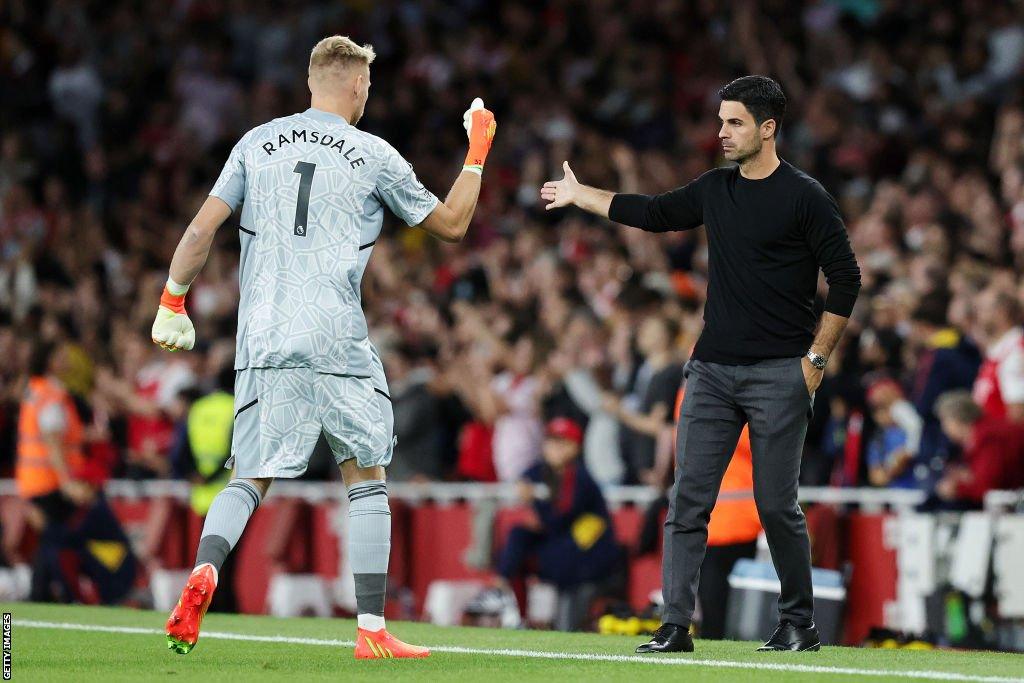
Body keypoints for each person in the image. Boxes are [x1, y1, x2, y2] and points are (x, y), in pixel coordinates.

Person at [153, 35, 496, 659]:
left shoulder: (255, 143)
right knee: (365, 474)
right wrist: (476, 153)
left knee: (249, 476)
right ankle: (371, 630)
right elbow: (451, 225)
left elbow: (202, 228)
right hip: (335, 335)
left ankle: (206, 568)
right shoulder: (372, 153)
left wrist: (173, 299)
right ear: (358, 86)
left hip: (265, 337)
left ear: (312, 82)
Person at [541, 75, 860, 653]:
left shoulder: (805, 196)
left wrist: (814, 360)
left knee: (776, 506)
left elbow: (847, 281)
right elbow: (654, 212)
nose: (722, 132)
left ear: (768, 128)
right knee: (687, 500)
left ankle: (799, 621)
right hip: (711, 370)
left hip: (779, 373)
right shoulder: (716, 188)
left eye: (734, 122)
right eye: (720, 121)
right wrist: (581, 194)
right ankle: (675, 624)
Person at [494, 418, 622, 630]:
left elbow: (560, 517)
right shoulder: (543, 471)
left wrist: (534, 503)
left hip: (589, 556)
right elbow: (526, 479)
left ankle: (510, 598)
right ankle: (510, 604)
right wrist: (525, 488)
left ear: (575, 447)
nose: (555, 448)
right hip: (564, 549)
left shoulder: (579, 477)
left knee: (543, 552)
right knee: (518, 537)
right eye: (551, 441)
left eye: (562, 442)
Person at [17, 341, 93, 600]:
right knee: (54, 540)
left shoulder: (35, 389)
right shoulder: (51, 394)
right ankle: (42, 593)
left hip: (34, 479)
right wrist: (66, 482)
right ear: (51, 361)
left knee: (52, 540)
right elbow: (52, 441)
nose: (68, 358)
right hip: (49, 481)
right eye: (62, 354)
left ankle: (44, 594)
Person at [934, 390, 1024, 507]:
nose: (944, 428)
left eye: (945, 421)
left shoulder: (989, 437)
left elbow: (988, 487)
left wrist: (956, 489)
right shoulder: (984, 432)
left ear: (956, 419)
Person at [971, 288, 1024, 423]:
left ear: (1002, 312)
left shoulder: (1016, 351)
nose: (977, 316)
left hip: (1004, 441)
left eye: (983, 309)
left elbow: (1018, 412)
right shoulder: (999, 351)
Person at [864, 378, 924, 490]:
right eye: (877, 409)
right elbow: (876, 476)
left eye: (886, 406)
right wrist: (893, 467)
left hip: (921, 488)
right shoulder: (879, 438)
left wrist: (907, 455)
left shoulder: (915, 429)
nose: (883, 414)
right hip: (896, 493)